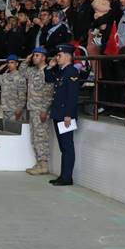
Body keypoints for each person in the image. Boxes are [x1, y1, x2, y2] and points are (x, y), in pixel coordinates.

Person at [45, 44, 80, 187]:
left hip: (65, 115)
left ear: (67, 56)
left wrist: (68, 115)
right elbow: (49, 79)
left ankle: (67, 178)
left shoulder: (71, 71)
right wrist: (49, 67)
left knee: (67, 147)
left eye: (59, 55)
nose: (56, 58)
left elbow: (72, 96)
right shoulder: (61, 71)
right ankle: (63, 176)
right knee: (63, 147)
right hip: (58, 114)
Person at [22, 47, 55, 175]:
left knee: (41, 137)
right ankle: (38, 163)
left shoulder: (47, 71)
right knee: (34, 138)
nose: (34, 57)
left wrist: (44, 110)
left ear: (43, 57)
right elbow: (22, 71)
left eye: (37, 55)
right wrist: (27, 60)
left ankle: (44, 164)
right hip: (32, 108)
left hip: (40, 109)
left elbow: (48, 93)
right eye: (34, 55)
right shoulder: (32, 71)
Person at [0, 54, 28, 123]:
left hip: (15, 110)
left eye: (12, 62)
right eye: (8, 63)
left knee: (14, 131)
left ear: (17, 64)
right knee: (6, 131)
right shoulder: (5, 76)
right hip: (5, 109)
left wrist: (19, 108)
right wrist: (0, 68)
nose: (9, 64)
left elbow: (22, 95)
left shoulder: (20, 77)